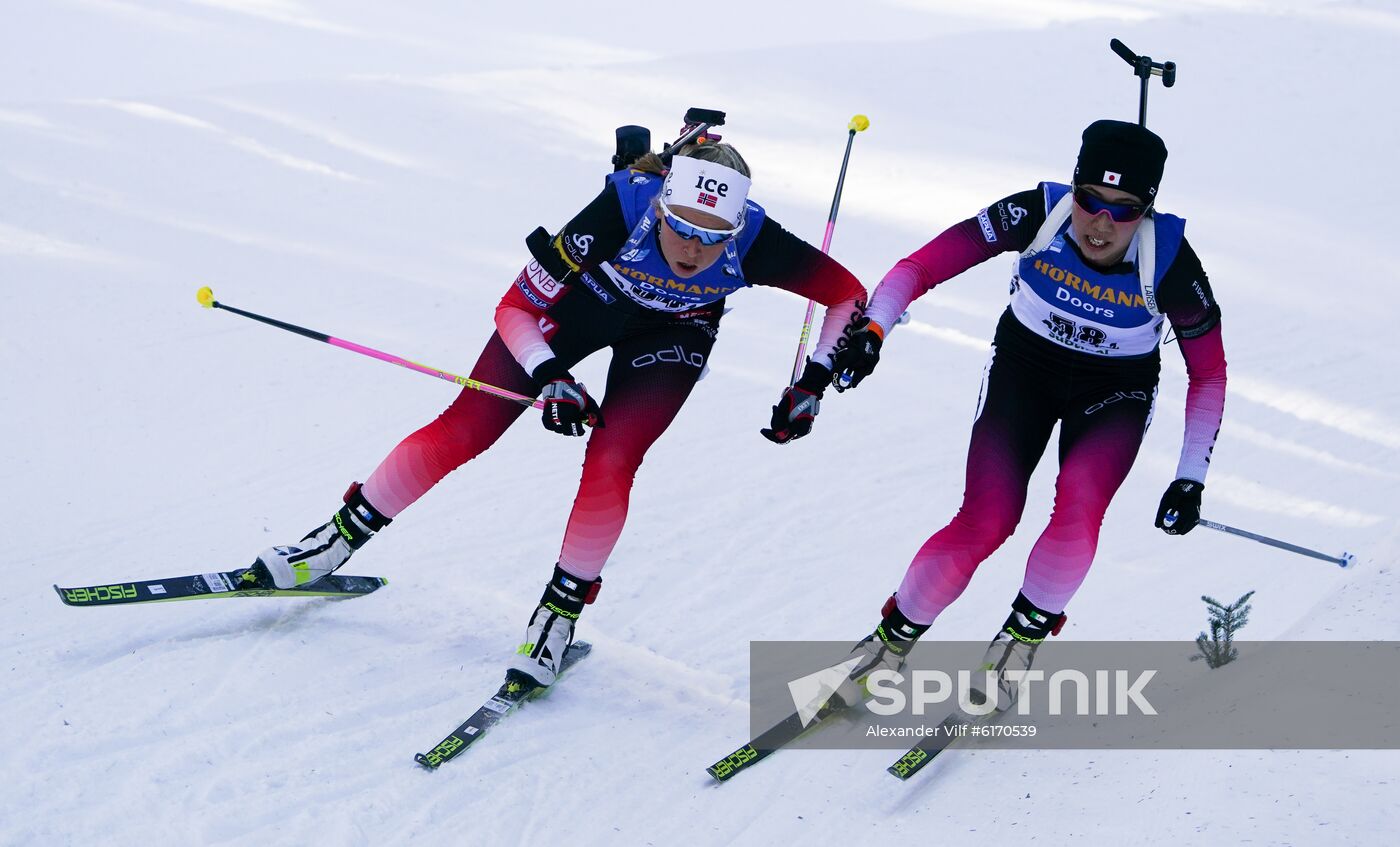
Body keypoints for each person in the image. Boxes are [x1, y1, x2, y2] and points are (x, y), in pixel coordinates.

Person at [252, 136, 866, 686]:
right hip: (574, 312)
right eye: (680, 225)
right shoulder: (622, 208)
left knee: (614, 458)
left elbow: (847, 295)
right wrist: (550, 376)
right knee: (468, 426)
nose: (692, 248)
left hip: (672, 335)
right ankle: (333, 544)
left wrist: (812, 380)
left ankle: (558, 615)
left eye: (714, 238)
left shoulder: (757, 239)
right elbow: (513, 308)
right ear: (659, 205)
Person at [828, 119, 1227, 709]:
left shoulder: (1171, 263)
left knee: (1080, 502)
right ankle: (886, 646)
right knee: (985, 518)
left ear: (1148, 208)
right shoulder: (1035, 214)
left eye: (1123, 209)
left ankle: (1017, 645)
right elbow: (920, 267)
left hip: (1114, 391)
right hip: (1025, 369)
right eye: (1090, 200)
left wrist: (1190, 475)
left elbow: (1210, 373)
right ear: (1073, 188)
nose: (1101, 223)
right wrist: (875, 330)